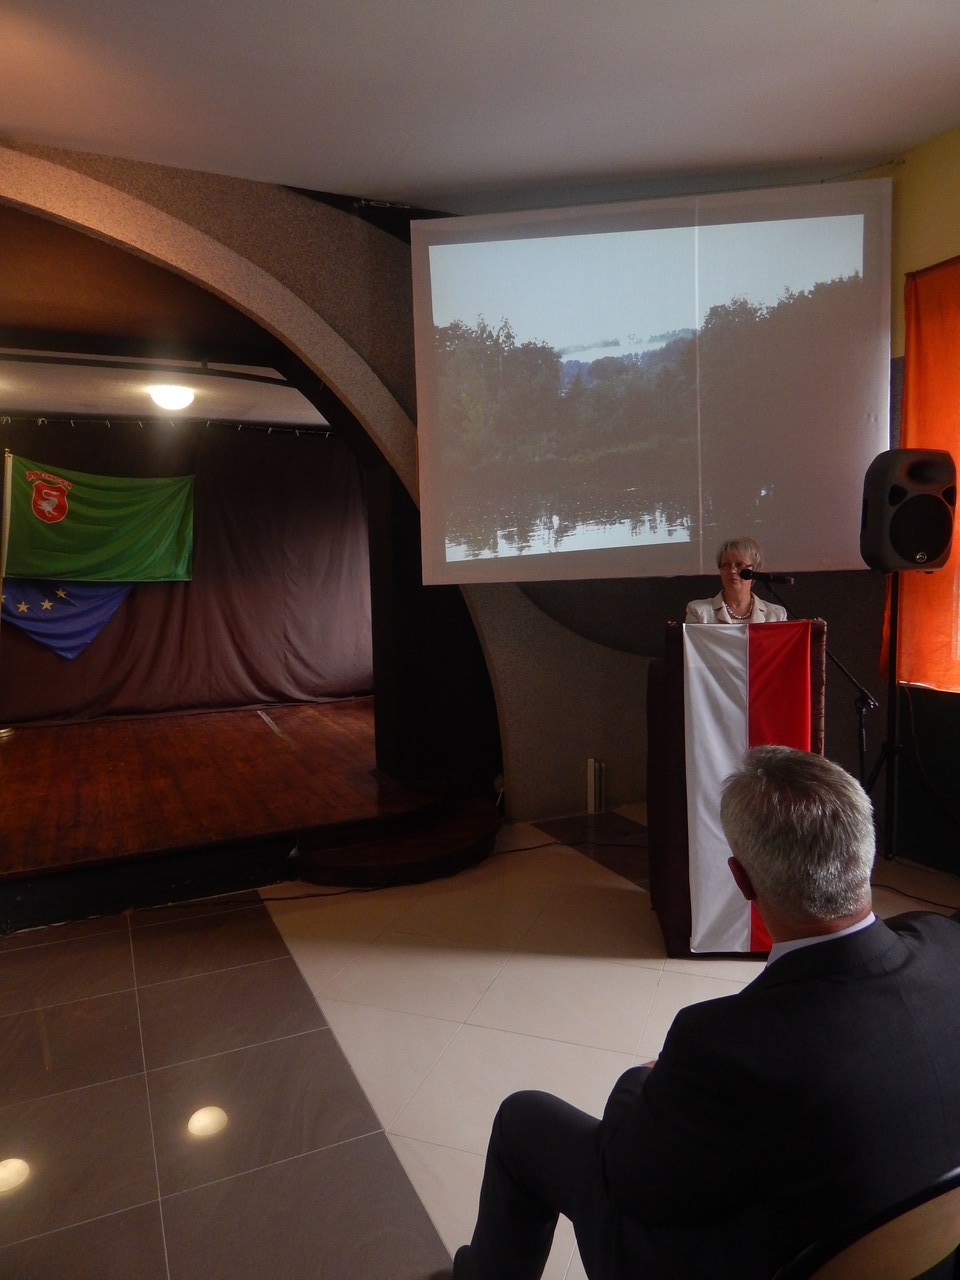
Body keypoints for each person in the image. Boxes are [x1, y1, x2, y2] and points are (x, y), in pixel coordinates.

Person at [451, 747, 960, 1280]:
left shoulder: (721, 1043)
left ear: (742, 880)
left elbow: (633, 1180)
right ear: (866, 854)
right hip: (918, 1255)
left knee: (523, 1122)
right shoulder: (948, 950)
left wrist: (640, 1081)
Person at [685, 536, 787, 623]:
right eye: (726, 565)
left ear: (755, 569)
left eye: (739, 565)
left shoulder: (776, 615)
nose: (732, 571)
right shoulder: (698, 611)